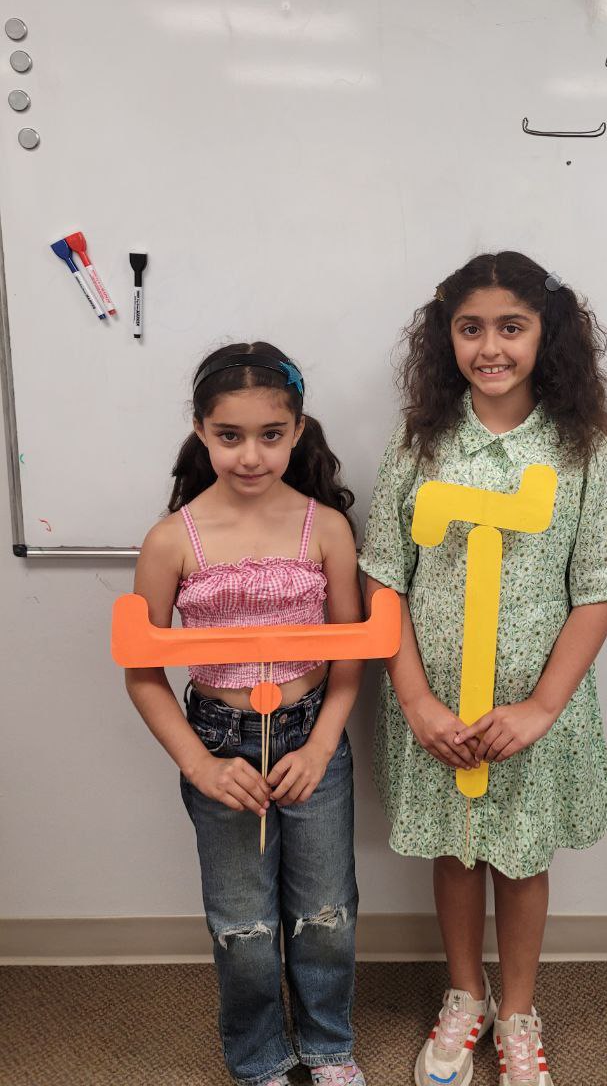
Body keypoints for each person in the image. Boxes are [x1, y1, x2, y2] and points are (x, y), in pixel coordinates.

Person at [360, 252, 607, 1086]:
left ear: (546, 335)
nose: (491, 347)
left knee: (521, 859)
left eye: (511, 328)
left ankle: (519, 1010)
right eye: (471, 328)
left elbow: (598, 588)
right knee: (455, 851)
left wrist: (542, 707)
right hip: (439, 703)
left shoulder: (580, 447)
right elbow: (384, 576)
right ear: (445, 337)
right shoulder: (421, 442)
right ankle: (466, 994)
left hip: (530, 706)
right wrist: (416, 698)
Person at [126, 340, 366, 1086]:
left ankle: (328, 1047)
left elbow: (351, 657)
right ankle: (260, 1058)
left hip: (310, 736)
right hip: (220, 743)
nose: (251, 456)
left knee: (325, 913)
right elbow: (143, 673)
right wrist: (200, 765)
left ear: (298, 432)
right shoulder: (171, 540)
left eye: (271, 434)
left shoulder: (326, 529)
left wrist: (320, 748)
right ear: (201, 430)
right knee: (243, 925)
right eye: (230, 436)